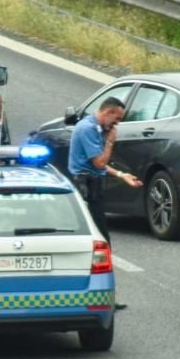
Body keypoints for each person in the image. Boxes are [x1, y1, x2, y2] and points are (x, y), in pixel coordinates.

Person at [68, 96, 143, 310]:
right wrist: (111, 140)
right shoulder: (89, 129)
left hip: (93, 181)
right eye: (116, 119)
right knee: (99, 242)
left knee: (102, 241)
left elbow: (101, 166)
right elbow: (99, 161)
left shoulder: (95, 128)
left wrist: (122, 174)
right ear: (107, 112)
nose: (116, 124)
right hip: (87, 186)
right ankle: (99, 295)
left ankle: (104, 294)